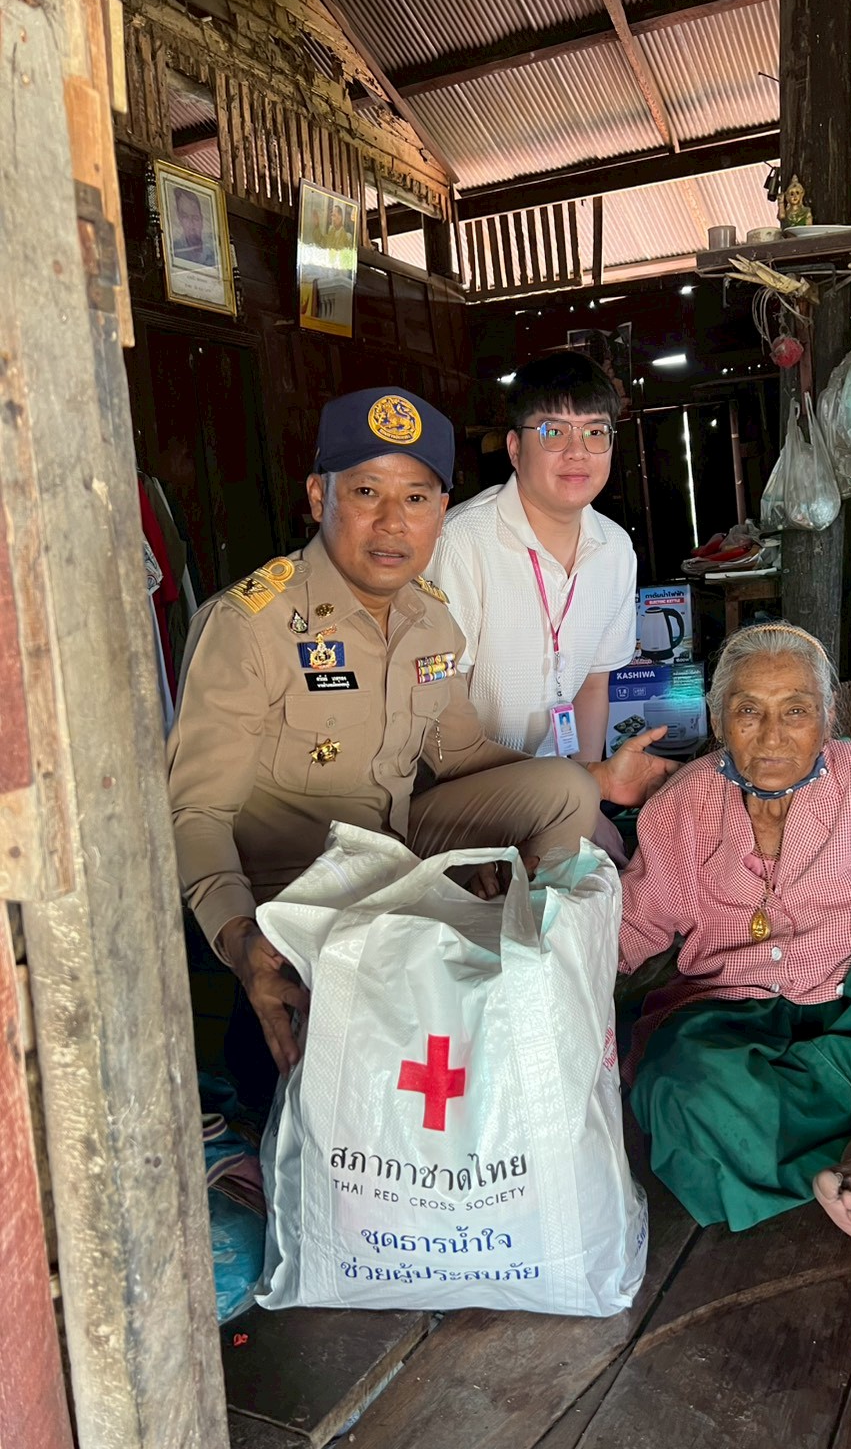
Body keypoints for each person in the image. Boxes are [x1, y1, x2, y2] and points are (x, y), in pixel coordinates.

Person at [168, 386, 673, 1094]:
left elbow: (460, 753)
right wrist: (242, 938)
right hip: (294, 900)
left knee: (565, 789)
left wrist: (595, 777)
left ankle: (535, 984)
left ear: (441, 510)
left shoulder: (431, 621)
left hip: (395, 865)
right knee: (321, 1092)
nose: (391, 522)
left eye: (416, 497)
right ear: (319, 496)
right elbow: (198, 813)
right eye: (367, 491)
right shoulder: (250, 624)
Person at [620, 622, 851, 1242]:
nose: (771, 737)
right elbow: (630, 931)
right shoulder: (680, 809)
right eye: (748, 711)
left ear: (826, 722)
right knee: (677, 1089)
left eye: (795, 712)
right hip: (736, 1024)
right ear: (718, 723)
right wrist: (540, 914)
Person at [430, 351, 638, 763]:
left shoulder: (615, 549)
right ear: (514, 448)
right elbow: (443, 701)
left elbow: (594, 683)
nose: (578, 452)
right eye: (553, 432)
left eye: (595, 432)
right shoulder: (462, 542)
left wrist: (586, 792)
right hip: (471, 783)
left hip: (561, 783)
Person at [172, 188, 216, 267]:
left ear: (201, 220)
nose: (191, 224)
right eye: (185, 217)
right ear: (180, 219)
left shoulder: (213, 252)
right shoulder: (174, 251)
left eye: (195, 218)